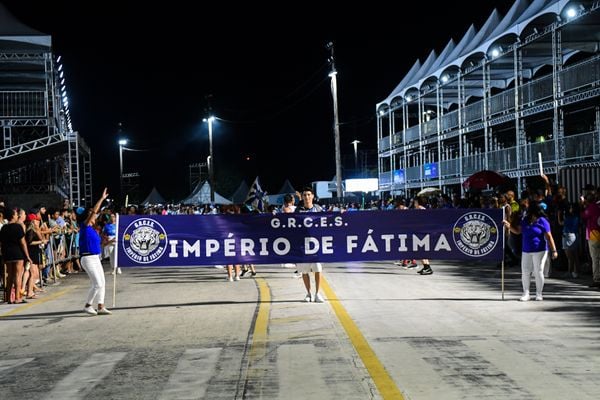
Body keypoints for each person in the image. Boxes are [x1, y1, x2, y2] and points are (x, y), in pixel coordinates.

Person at [504, 202, 558, 301]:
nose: (526, 213)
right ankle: (526, 293)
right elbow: (518, 231)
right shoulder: (525, 220)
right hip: (526, 250)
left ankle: (539, 294)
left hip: (540, 250)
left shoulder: (543, 221)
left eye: (528, 211)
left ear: (534, 212)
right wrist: (509, 226)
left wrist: (554, 250)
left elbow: (549, 236)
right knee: (525, 271)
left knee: (538, 271)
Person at [76, 188, 112, 315]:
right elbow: (95, 211)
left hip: (96, 258)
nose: (94, 215)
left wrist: (110, 242)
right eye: (91, 214)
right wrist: (101, 199)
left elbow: (99, 244)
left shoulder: (92, 230)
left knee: (101, 283)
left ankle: (101, 306)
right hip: (87, 259)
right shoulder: (84, 226)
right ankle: (87, 305)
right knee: (97, 284)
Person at [296, 187, 325, 302]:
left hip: (316, 245)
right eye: (305, 195)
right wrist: (274, 214)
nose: (307, 197)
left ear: (312, 196)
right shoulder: (298, 211)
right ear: (302, 197)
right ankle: (308, 294)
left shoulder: (318, 209)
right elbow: (287, 222)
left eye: (309, 194)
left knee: (318, 269)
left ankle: (318, 293)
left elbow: (330, 219)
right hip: (303, 245)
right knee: (305, 271)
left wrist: (340, 213)